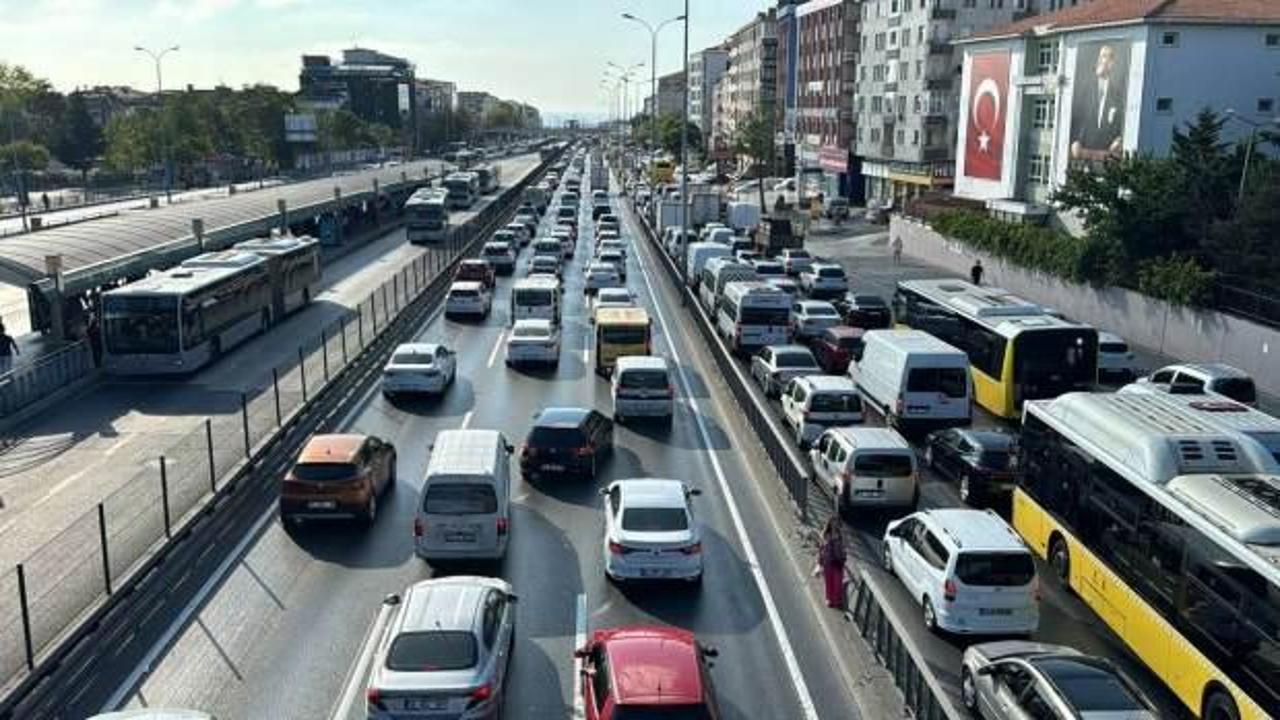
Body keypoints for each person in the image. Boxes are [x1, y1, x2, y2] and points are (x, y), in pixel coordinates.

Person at [1070, 42, 1128, 160]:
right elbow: (1076, 117)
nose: (1104, 61)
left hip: (1106, 154)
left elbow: (1121, 124)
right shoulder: (1084, 89)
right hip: (1083, 152)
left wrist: (1119, 139)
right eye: (1102, 56)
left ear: (1113, 63)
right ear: (1097, 60)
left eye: (1109, 57)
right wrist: (1074, 140)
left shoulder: (1118, 95)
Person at [818, 517, 847, 609]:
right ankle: (829, 599)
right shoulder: (825, 534)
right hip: (828, 562)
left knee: (838, 582)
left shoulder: (840, 535)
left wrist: (843, 557)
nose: (834, 524)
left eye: (836, 522)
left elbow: (844, 547)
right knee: (829, 582)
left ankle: (838, 600)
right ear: (829, 523)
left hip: (838, 562)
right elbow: (821, 548)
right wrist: (820, 561)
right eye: (832, 522)